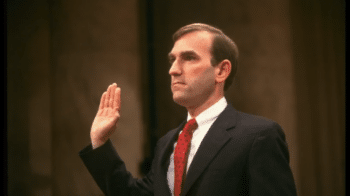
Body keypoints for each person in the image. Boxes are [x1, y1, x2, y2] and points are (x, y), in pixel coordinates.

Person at [79, 23, 297, 196]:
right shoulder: (167, 143)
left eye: (189, 58)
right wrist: (100, 142)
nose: (173, 70)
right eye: (172, 60)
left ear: (221, 70)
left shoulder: (258, 136)